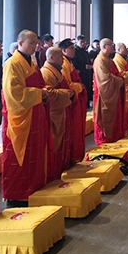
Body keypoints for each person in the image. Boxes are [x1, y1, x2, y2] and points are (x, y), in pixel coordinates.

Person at [1, 30, 50, 207]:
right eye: (31, 43)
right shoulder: (12, 64)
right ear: (20, 43)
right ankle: (17, 195)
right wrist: (39, 93)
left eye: (36, 42)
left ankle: (33, 188)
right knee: (18, 155)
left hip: (35, 113)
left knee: (34, 152)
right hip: (20, 117)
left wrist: (42, 90)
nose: (35, 46)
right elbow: (14, 94)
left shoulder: (33, 61)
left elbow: (39, 83)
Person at [41, 47, 74, 181]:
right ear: (52, 58)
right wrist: (67, 93)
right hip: (54, 113)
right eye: (61, 57)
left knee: (62, 142)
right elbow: (49, 94)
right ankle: (52, 171)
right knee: (54, 142)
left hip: (62, 110)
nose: (63, 60)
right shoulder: (46, 72)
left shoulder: (56, 71)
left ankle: (60, 167)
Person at [58, 39, 87, 165]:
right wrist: (79, 87)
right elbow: (67, 85)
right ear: (64, 50)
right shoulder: (64, 64)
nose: (74, 51)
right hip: (69, 101)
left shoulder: (69, 62)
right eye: (72, 48)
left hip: (75, 99)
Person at [92, 38, 124, 145]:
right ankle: (104, 140)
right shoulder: (99, 61)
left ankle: (114, 137)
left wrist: (120, 77)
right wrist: (119, 80)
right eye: (111, 45)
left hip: (112, 93)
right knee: (104, 116)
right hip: (103, 94)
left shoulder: (109, 60)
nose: (113, 46)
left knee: (114, 115)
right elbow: (105, 79)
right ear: (104, 47)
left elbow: (116, 73)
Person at [113, 42, 128, 134]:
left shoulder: (122, 59)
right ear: (119, 50)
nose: (126, 50)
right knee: (126, 109)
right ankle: (126, 129)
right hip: (125, 88)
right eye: (124, 48)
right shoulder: (117, 60)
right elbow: (121, 75)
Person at [73, 35, 93, 108]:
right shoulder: (75, 52)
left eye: (84, 42)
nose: (83, 44)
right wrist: (84, 67)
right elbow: (74, 64)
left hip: (87, 74)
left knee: (87, 89)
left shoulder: (85, 51)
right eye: (81, 42)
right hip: (80, 74)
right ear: (77, 42)